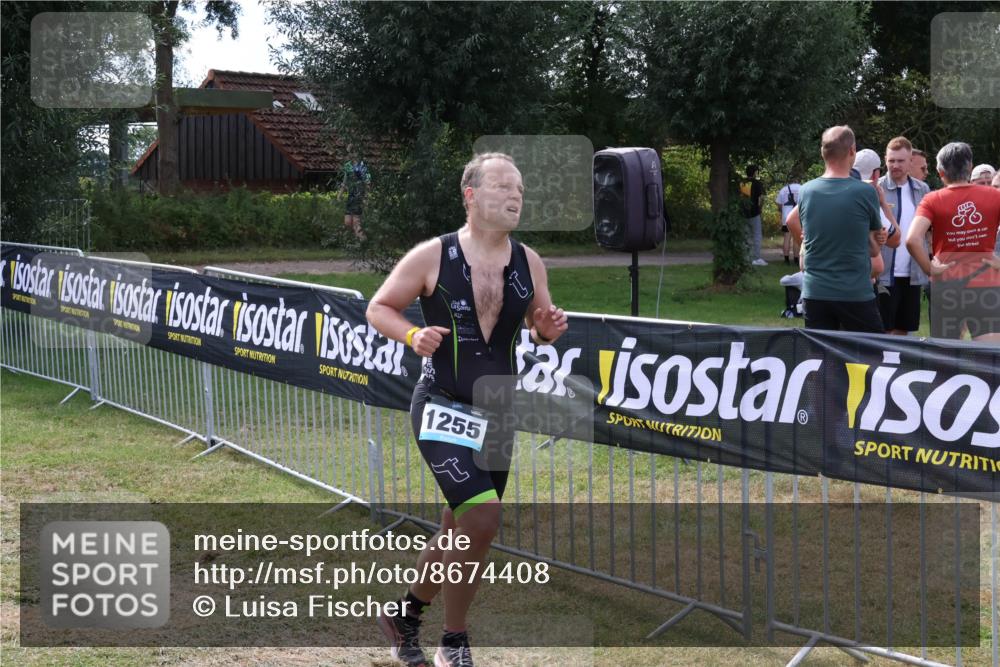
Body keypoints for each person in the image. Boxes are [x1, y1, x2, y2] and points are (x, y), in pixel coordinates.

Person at [367, 152, 568, 667]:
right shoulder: (433, 255)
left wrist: (546, 329)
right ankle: (453, 640)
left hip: (498, 410)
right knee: (483, 516)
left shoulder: (529, 261)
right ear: (471, 195)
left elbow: (537, 323)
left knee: (461, 527)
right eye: (502, 185)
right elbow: (378, 307)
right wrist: (413, 334)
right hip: (440, 404)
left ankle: (406, 615)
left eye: (519, 188)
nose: (514, 195)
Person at [797, 126, 889, 332]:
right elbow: (873, 250)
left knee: (821, 358)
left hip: (814, 292)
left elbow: (808, 236)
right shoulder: (865, 192)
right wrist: (878, 238)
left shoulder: (806, 191)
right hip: (854, 292)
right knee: (870, 356)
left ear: (822, 152)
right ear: (852, 151)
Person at [906, 142, 1000, 341]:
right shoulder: (995, 195)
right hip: (986, 283)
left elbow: (913, 240)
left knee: (946, 356)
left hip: (946, 283)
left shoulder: (932, 199)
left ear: (941, 173)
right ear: (969, 166)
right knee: (990, 356)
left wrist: (929, 269)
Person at [876, 136, 930, 335]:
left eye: (900, 161)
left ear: (910, 162)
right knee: (883, 331)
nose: (895, 165)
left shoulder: (922, 189)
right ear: (885, 160)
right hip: (885, 273)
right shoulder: (876, 188)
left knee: (903, 331)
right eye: (891, 160)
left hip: (912, 274)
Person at [739, 164, 767, 266]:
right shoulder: (757, 183)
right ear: (755, 172)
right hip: (754, 212)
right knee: (757, 235)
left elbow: (742, 197)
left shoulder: (742, 183)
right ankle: (756, 258)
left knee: (745, 235)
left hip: (743, 213)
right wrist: (760, 209)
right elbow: (761, 198)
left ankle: (746, 257)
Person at [342, 158, 371, 240]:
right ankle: (358, 239)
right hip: (350, 197)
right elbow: (345, 181)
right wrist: (340, 194)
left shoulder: (362, 166)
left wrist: (366, 197)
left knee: (356, 222)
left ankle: (363, 241)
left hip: (359, 196)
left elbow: (368, 182)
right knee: (347, 222)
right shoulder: (347, 166)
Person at [775, 178, 801, 265]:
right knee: (796, 239)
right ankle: (796, 259)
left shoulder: (784, 189)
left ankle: (786, 260)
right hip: (797, 217)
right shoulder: (802, 188)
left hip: (786, 217)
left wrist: (782, 211)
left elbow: (778, 203)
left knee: (787, 238)